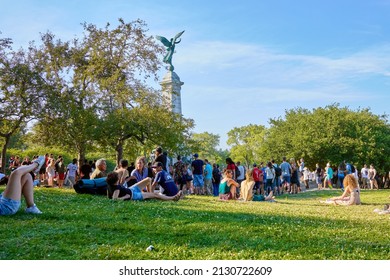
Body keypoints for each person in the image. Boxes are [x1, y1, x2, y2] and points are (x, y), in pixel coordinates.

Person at [106, 172, 182, 202]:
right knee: (156, 195)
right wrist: (125, 197)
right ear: (116, 180)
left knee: (148, 179)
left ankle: (149, 194)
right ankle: (173, 198)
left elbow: (109, 196)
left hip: (131, 189)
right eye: (118, 176)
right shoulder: (116, 188)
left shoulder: (110, 185)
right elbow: (114, 200)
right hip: (134, 195)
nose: (120, 177)